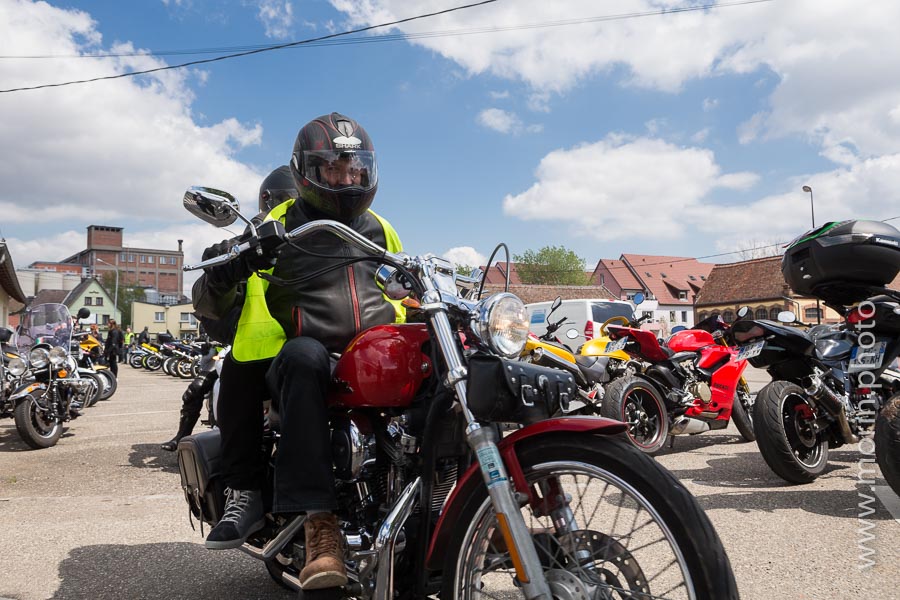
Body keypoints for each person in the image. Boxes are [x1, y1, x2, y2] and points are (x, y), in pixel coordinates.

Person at [192, 113, 403, 591]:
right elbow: (210, 298)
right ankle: (318, 525)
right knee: (305, 356)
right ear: (307, 170)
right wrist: (232, 265)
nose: (346, 180)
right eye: (333, 170)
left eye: (355, 170)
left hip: (367, 354)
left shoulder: (382, 229)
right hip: (291, 354)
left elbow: (399, 291)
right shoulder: (277, 223)